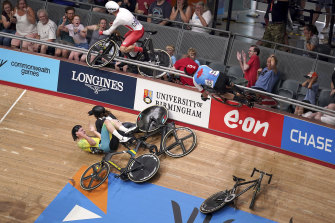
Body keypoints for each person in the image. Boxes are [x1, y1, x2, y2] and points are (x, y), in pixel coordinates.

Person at [184, 63, 249, 106]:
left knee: (224, 94)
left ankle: (244, 101)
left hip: (217, 84)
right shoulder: (202, 66)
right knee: (229, 84)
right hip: (220, 75)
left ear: (189, 73)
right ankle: (242, 91)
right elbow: (210, 72)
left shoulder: (194, 80)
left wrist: (205, 97)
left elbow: (204, 92)